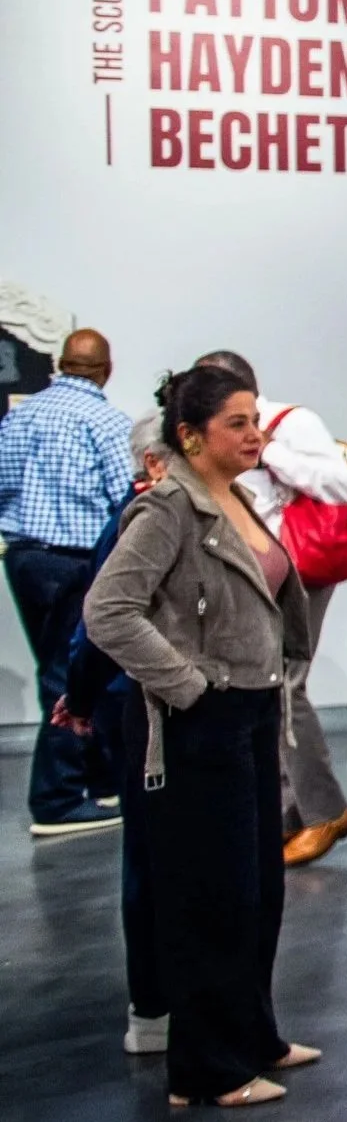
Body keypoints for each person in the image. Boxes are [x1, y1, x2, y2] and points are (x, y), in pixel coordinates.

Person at [83, 365, 322, 1109]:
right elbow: (109, 611)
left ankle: (253, 1036)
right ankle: (206, 1068)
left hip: (250, 715)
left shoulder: (240, 496)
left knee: (256, 889)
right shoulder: (168, 510)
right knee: (212, 897)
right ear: (191, 437)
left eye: (256, 420)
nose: (255, 434)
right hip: (200, 724)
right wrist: (186, 684)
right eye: (238, 424)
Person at [193, 349, 347, 866]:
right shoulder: (214, 428)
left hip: (298, 571)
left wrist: (270, 453)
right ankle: (286, 814)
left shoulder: (293, 422)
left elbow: (343, 484)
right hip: (249, 571)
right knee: (263, 688)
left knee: (287, 684)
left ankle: (323, 812)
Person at [54, 415, 174, 1055]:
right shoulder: (140, 523)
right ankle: (153, 1010)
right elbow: (102, 621)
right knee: (151, 862)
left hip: (158, 708)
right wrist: (81, 697)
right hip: (142, 710)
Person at [0, 326, 133, 835]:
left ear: (59, 363)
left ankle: (98, 780)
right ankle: (55, 800)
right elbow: (123, 503)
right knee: (70, 675)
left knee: (60, 669)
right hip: (76, 562)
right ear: (106, 369)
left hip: (24, 559)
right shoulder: (106, 422)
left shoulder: (21, 414)